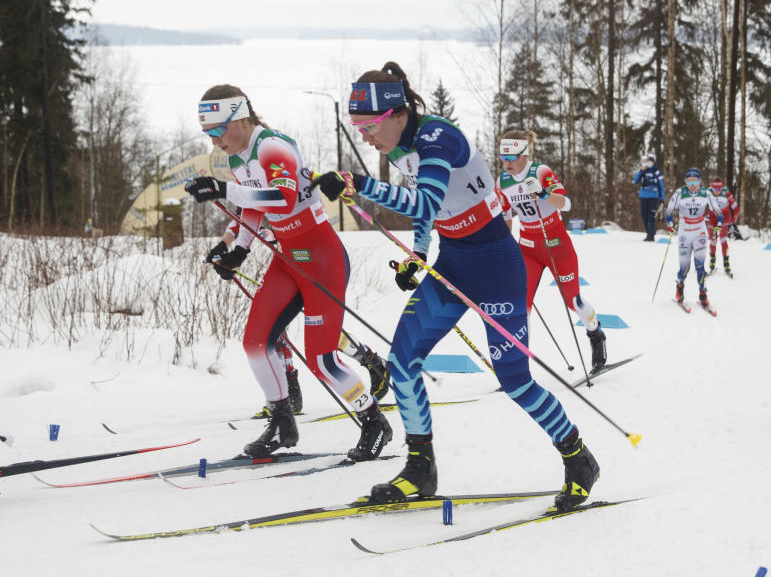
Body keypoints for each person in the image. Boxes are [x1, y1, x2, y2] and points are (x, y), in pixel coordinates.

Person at [315, 62, 598, 512]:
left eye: (368, 126)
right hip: (454, 264)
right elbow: (431, 212)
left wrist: (360, 185)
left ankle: (578, 458)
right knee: (403, 361)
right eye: (358, 128)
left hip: (498, 267)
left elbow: (424, 199)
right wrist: (419, 253)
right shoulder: (400, 147)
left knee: (516, 381)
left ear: (395, 112)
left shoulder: (437, 137)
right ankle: (419, 467)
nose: (365, 136)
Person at [184, 85, 391, 460]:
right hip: (288, 257)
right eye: (208, 134)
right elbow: (254, 208)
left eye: (217, 131)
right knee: (255, 342)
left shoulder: (272, 147)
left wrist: (222, 189)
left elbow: (284, 197)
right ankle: (282, 422)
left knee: (322, 359)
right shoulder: (236, 159)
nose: (214, 141)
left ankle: (374, 421)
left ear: (240, 119)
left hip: (321, 257)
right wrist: (239, 252)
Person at [210, 221, 392, 417]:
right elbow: (237, 225)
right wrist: (222, 249)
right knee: (271, 332)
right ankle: (288, 391)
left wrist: (275, 234)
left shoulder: (277, 196)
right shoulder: (249, 199)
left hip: (318, 263)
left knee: (324, 336)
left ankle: (371, 361)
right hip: (287, 267)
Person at [493, 129, 607, 373]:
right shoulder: (502, 181)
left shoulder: (540, 171)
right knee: (520, 306)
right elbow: (505, 215)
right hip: (528, 247)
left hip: (555, 243)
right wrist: (504, 242)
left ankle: (596, 333)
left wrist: (543, 193)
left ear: (524, 154)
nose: (508, 163)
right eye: (504, 157)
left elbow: (566, 204)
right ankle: (518, 366)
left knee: (573, 301)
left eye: (512, 157)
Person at [665, 168, 723, 308]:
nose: (692, 184)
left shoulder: (706, 193)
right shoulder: (680, 193)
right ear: (685, 181)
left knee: (700, 266)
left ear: (700, 181)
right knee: (684, 268)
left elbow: (718, 212)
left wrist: (718, 225)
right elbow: (668, 211)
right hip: (685, 233)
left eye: (695, 181)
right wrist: (670, 223)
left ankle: (703, 294)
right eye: (689, 181)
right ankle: (680, 287)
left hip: (700, 232)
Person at [705, 177, 739, 275]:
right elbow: (701, 206)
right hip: (712, 217)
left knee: (723, 240)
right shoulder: (708, 192)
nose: (717, 192)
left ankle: (726, 262)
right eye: (715, 189)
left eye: (719, 189)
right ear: (712, 188)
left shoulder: (726, 193)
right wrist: (702, 216)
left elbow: (736, 208)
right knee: (712, 240)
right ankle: (712, 263)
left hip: (724, 217)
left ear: (722, 188)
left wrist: (732, 221)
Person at [633, 154, 665, 241]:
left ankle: (651, 236)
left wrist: (662, 198)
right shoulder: (644, 171)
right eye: (647, 161)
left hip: (653, 196)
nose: (648, 162)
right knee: (644, 215)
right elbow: (635, 181)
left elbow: (661, 186)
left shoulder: (657, 172)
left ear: (654, 162)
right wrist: (641, 171)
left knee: (651, 216)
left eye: (650, 161)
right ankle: (649, 233)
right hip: (643, 196)